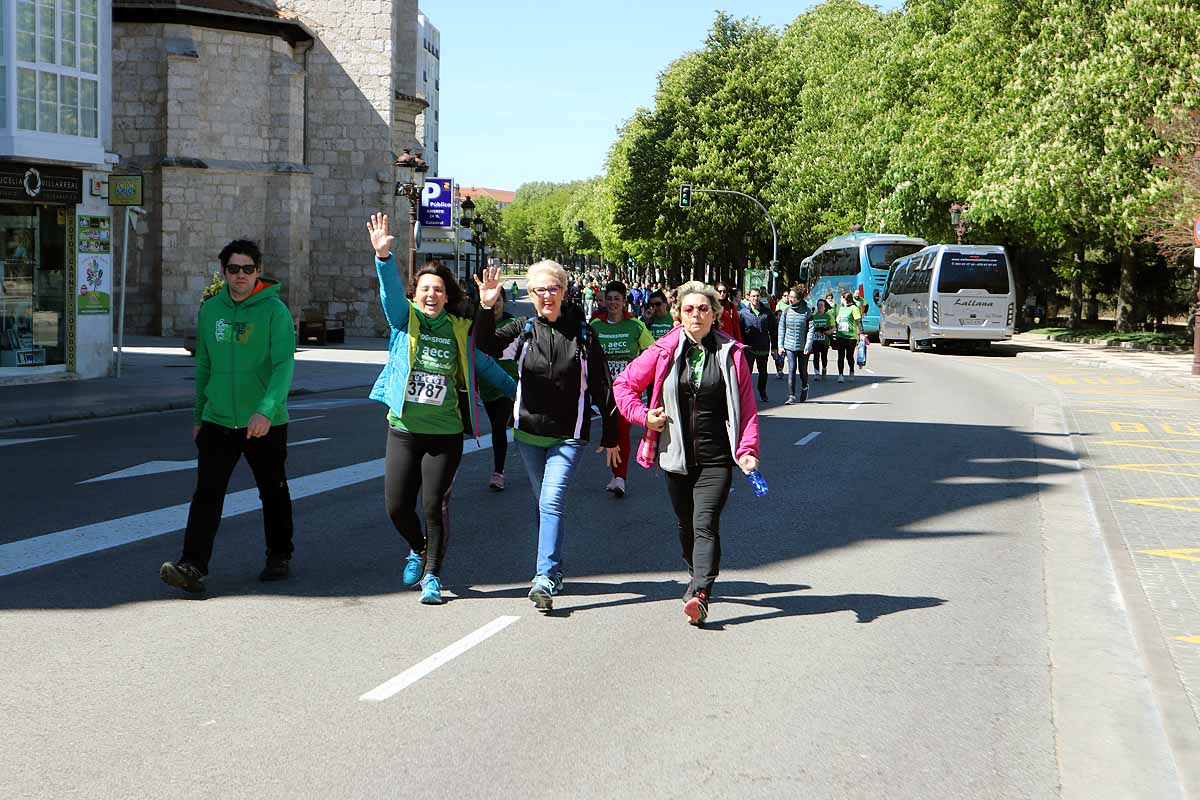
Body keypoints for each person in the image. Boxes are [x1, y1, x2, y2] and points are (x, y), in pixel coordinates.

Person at [365, 215, 515, 605]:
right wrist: (384, 257)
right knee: (397, 506)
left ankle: (431, 576)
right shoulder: (405, 321)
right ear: (415, 296)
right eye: (424, 290)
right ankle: (417, 547)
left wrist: (521, 394)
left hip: (445, 435)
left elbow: (487, 368)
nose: (431, 295)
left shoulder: (459, 331)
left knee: (434, 504)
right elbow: (390, 297)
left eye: (438, 290)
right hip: (404, 429)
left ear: (448, 296)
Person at [612, 281, 760, 627]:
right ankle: (697, 575)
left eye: (704, 309)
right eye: (689, 309)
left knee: (704, 522)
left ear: (715, 314)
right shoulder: (664, 350)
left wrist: (748, 450)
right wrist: (642, 415)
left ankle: (701, 593)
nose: (696, 314)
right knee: (685, 524)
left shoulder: (731, 354)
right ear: (679, 313)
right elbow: (624, 385)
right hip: (675, 455)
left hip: (716, 456)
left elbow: (748, 409)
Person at [475, 262, 620, 612]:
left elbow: (602, 386)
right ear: (531, 295)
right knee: (544, 504)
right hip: (528, 435)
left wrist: (612, 435)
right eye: (539, 290)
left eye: (552, 288)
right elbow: (486, 345)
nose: (546, 296)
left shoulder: (584, 335)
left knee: (551, 502)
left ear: (564, 290)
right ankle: (553, 570)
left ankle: (543, 577)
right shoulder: (523, 330)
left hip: (568, 436)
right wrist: (484, 307)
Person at [159, 239, 297, 595]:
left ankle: (279, 554)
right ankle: (192, 565)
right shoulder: (210, 311)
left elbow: (284, 365)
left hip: (263, 422)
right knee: (207, 494)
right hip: (218, 419)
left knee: (273, 491)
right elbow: (204, 365)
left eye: (247, 269)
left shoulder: (274, 311)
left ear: (258, 271)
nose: (240, 276)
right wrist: (198, 416)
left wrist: (266, 410)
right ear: (223, 273)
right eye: (233, 269)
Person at [592, 281, 655, 498]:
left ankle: (620, 477)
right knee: (610, 430)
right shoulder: (595, 327)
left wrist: (642, 376)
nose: (612, 303)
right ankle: (616, 474)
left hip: (628, 388)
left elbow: (652, 353)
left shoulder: (636, 326)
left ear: (624, 301)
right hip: (602, 388)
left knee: (622, 431)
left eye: (617, 299)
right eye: (609, 299)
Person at [479, 287, 520, 490]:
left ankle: (498, 472)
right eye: (492, 301)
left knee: (497, 427)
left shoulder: (513, 325)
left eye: (499, 301)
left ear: (504, 302)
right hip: (486, 387)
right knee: (498, 424)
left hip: (508, 384)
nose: (495, 305)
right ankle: (515, 420)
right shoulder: (478, 326)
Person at [777, 285, 816, 403]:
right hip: (789, 345)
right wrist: (780, 345)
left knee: (802, 370)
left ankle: (805, 387)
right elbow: (781, 328)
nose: (790, 299)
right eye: (789, 296)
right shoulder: (786, 310)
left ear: (799, 298)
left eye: (793, 297)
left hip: (803, 346)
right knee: (792, 368)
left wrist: (808, 345)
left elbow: (811, 330)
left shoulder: (807, 311)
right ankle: (791, 396)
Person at [738, 287, 776, 403]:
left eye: (757, 296)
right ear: (748, 297)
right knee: (747, 373)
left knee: (763, 372)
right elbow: (739, 331)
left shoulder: (767, 313)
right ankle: (746, 394)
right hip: (748, 348)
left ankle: (762, 391)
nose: (755, 298)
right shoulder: (743, 313)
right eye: (753, 296)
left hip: (763, 347)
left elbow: (773, 330)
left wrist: (775, 346)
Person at [834, 290, 863, 382]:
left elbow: (858, 321)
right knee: (840, 356)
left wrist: (861, 333)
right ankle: (840, 375)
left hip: (851, 337)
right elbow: (837, 320)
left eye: (841, 298)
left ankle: (851, 371)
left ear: (845, 299)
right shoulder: (840, 308)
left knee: (849, 356)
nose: (840, 300)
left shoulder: (854, 308)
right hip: (840, 335)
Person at [810, 298, 833, 380]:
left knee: (824, 356)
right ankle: (816, 373)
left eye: (821, 305)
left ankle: (824, 368)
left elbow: (833, 327)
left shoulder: (828, 316)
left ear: (824, 307)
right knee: (816, 356)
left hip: (825, 340)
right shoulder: (813, 316)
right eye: (818, 305)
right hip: (815, 340)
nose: (820, 307)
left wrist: (829, 331)